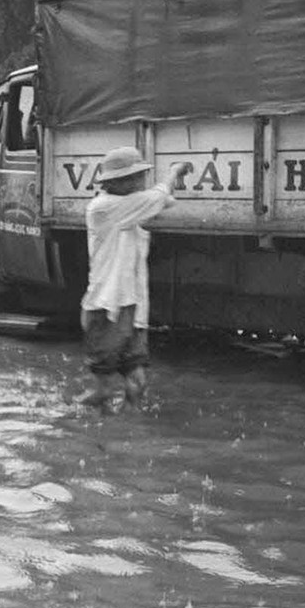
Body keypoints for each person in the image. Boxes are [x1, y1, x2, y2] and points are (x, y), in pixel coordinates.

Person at [77, 147, 191, 414]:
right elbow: (158, 197)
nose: (140, 182)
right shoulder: (103, 208)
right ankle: (64, 416)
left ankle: (126, 435)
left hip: (134, 308)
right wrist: (174, 173)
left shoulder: (128, 206)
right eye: (135, 177)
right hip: (107, 308)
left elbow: (160, 199)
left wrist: (167, 191)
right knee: (102, 391)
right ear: (115, 183)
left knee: (137, 384)